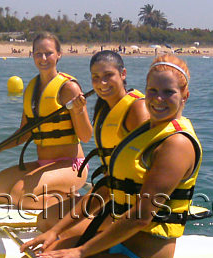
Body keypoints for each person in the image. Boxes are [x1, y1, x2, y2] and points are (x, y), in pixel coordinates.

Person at [16, 55, 202, 258]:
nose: (158, 99)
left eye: (168, 92)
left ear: (185, 96)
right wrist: (56, 232)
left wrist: (80, 252)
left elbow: (140, 217)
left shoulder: (176, 144)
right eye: (153, 90)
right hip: (116, 246)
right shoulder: (146, 131)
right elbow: (107, 189)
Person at [37, 50, 149, 233]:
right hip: (109, 194)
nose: (101, 83)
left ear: (123, 74)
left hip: (132, 207)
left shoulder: (137, 108)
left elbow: (148, 167)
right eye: (95, 77)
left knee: (55, 227)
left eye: (108, 75)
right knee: (44, 219)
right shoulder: (104, 109)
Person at [0, 32, 91, 210]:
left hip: (72, 167)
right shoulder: (31, 89)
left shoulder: (69, 88)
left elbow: (86, 136)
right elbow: (24, 133)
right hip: (44, 165)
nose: (43, 58)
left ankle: (77, 203)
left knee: (19, 194)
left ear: (59, 54)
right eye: (38, 53)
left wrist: (79, 110)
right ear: (32, 55)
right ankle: (60, 196)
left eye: (48, 53)